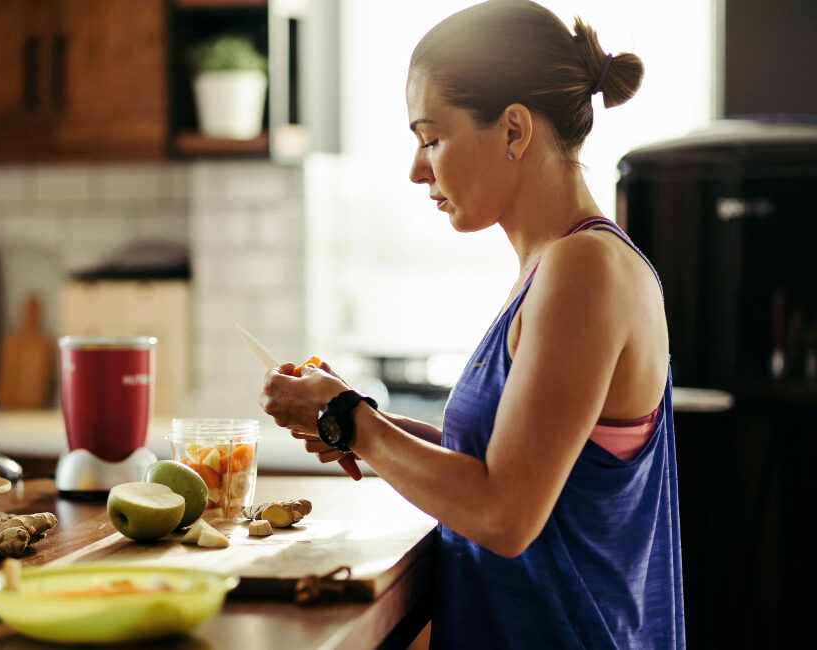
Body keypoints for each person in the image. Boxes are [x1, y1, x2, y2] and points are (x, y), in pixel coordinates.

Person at [259, 0, 684, 647]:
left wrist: (356, 422)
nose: (416, 168)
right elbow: (498, 465)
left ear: (514, 131)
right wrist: (351, 415)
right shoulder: (554, 268)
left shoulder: (584, 271)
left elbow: (505, 513)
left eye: (432, 137)